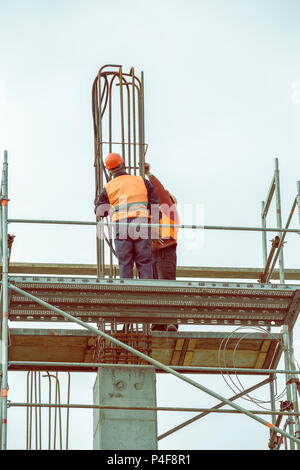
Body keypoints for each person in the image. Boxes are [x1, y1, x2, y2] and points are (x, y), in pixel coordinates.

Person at [95, 153, 160, 279]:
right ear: (123, 164)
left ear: (109, 171)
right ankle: (147, 291)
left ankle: (127, 292)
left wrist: (109, 207)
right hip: (141, 224)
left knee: (125, 263)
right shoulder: (141, 181)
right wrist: (155, 229)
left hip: (122, 226)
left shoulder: (108, 187)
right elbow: (155, 205)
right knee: (145, 261)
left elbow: (99, 212)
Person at [144, 162, 180, 332]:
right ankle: (159, 323)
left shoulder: (168, 207)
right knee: (154, 289)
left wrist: (148, 174)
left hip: (165, 249)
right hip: (154, 251)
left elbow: (160, 190)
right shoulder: (155, 215)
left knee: (166, 286)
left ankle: (171, 321)